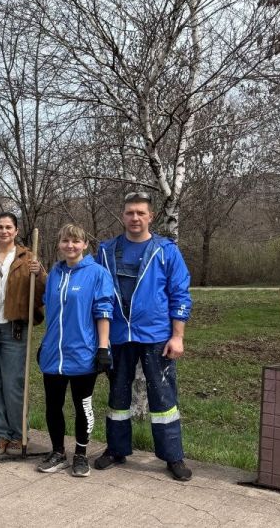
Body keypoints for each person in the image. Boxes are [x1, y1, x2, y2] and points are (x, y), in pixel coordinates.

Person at [94, 191, 194, 481]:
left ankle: (173, 456)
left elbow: (180, 294)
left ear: (151, 216)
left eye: (140, 213)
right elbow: (94, 290)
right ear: (122, 216)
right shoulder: (106, 251)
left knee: (163, 398)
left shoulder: (166, 250)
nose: (135, 218)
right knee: (117, 395)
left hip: (156, 337)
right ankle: (116, 449)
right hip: (118, 336)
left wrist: (178, 336)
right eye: (129, 212)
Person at [36, 224, 114, 477]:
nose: (70, 246)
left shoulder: (97, 273)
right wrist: (46, 343)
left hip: (83, 353)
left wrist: (103, 348)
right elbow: (51, 309)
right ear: (59, 244)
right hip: (54, 354)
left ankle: (81, 454)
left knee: (82, 406)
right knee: (53, 405)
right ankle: (58, 451)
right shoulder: (55, 274)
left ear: (84, 245)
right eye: (65, 241)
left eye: (76, 241)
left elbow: (104, 312)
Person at [0, 213, 47, 456]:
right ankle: (1, 433)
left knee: (13, 384)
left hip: (14, 329)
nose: (4, 231)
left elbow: (43, 292)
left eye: (9, 227)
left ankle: (18, 434)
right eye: (0, 227)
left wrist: (39, 274)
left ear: (16, 231)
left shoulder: (28, 258)